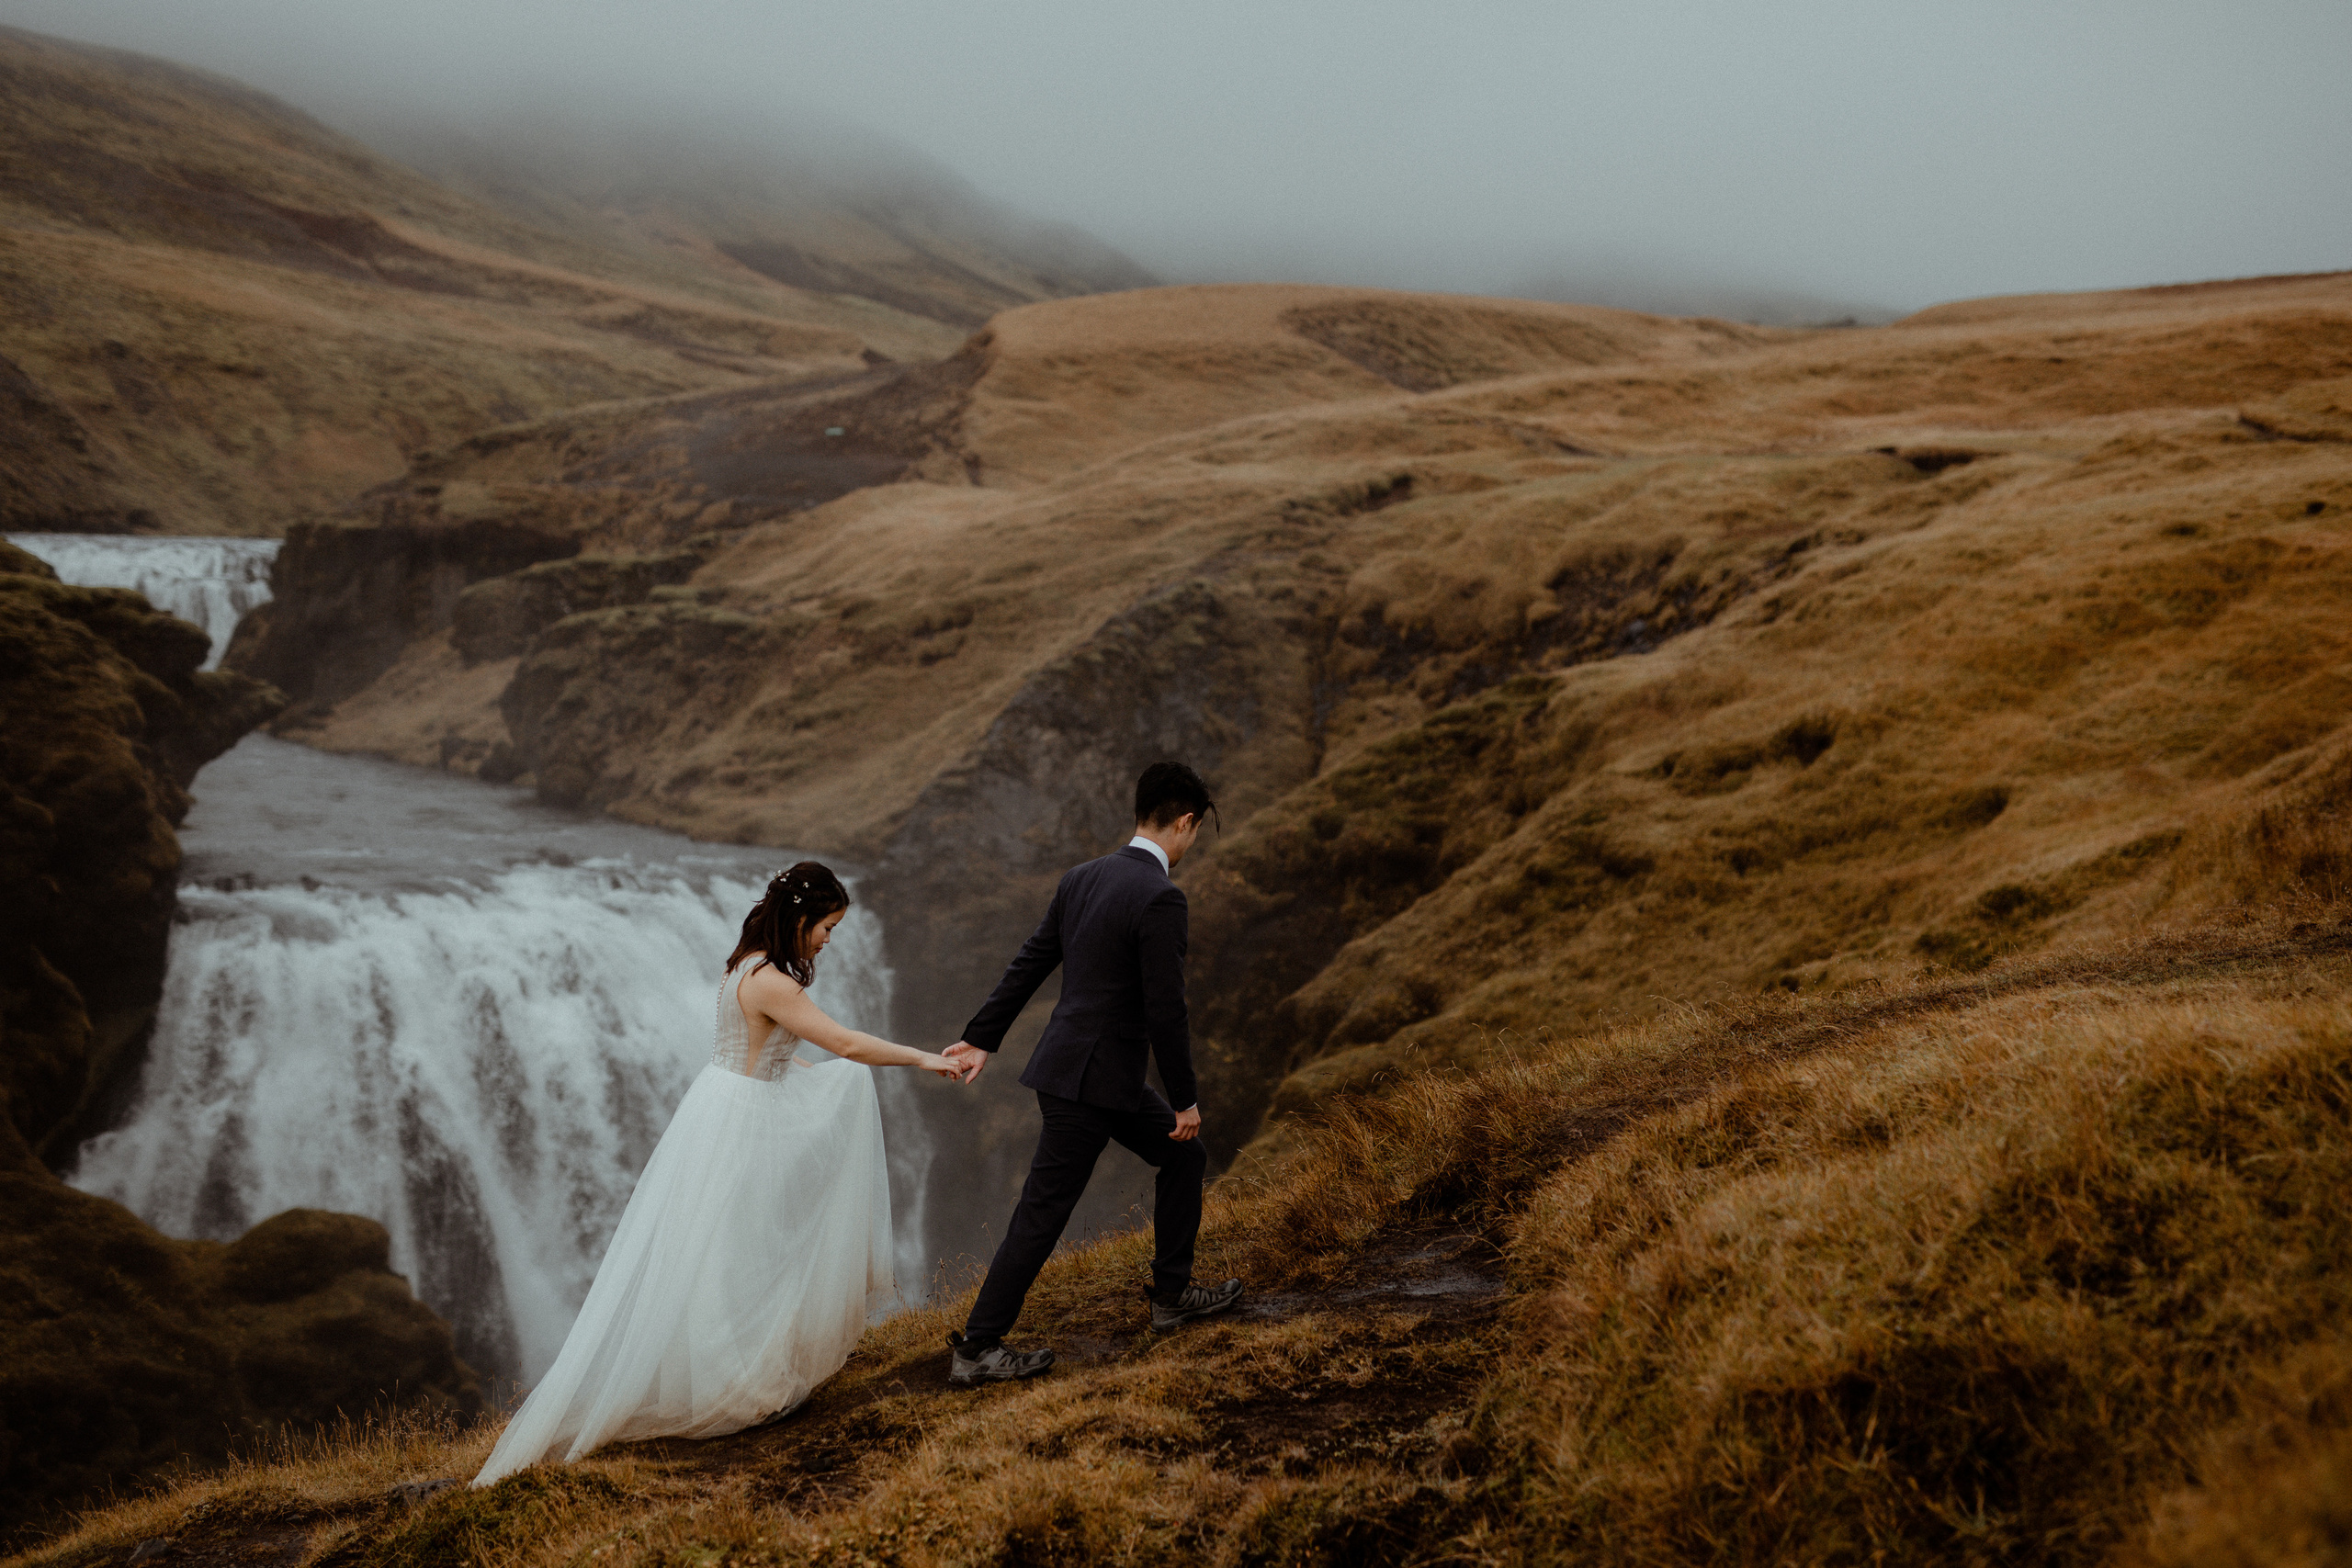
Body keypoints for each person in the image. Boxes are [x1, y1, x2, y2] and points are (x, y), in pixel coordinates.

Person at [472, 862, 967, 1486]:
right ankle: (738, 1385)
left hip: (727, 1106)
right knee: (738, 1251)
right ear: (801, 919)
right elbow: (843, 1044)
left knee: (733, 1251)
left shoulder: (748, 964)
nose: (828, 940)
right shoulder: (772, 982)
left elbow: (779, 1055)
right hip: (744, 1122)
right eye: (828, 927)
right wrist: (922, 1057)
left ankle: (741, 1373)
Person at [941, 761, 1245, 1385]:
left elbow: (1031, 961)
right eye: (1194, 832)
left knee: (1185, 1158)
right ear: (1184, 823)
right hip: (1091, 1085)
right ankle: (976, 1348)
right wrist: (1185, 1098)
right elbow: (1167, 1006)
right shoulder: (1162, 897)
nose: (1190, 845)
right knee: (1043, 1212)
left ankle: (1171, 1296)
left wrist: (980, 1037)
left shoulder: (1082, 878)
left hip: (1090, 1075)